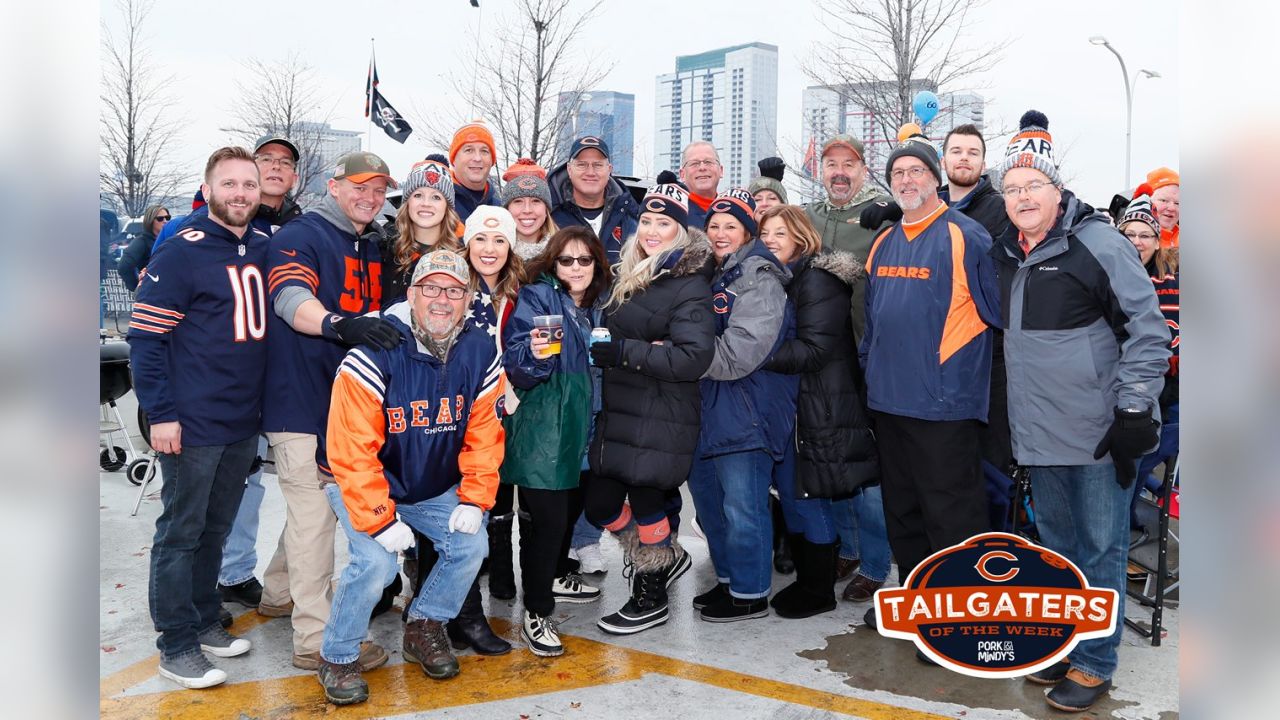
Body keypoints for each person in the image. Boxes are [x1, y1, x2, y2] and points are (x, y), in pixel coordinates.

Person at [988, 111, 1169, 712]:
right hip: (1038, 436)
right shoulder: (1007, 254)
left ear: (1056, 189)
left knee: (1100, 549)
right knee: (1058, 550)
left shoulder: (1098, 243)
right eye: (1011, 189)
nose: (1021, 197)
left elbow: (1147, 329)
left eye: (1031, 186)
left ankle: (1096, 663)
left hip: (1096, 434)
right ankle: (1069, 645)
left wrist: (1135, 409)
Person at [316, 249, 506, 705]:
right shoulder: (376, 348)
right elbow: (352, 448)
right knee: (377, 564)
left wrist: (475, 499)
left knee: (471, 543)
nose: (442, 300)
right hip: (361, 480)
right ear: (413, 293)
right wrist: (381, 519)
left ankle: (423, 625)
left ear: (467, 299)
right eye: (432, 288)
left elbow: (485, 433)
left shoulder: (479, 349)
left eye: (455, 291)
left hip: (427, 483)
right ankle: (338, 655)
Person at [127, 146, 269, 689]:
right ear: (208, 189)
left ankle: (205, 617)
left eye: (248, 185)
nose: (239, 194)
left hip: (241, 419)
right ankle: (176, 643)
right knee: (180, 531)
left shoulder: (261, 245)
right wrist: (160, 413)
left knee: (216, 526)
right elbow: (146, 338)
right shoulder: (181, 250)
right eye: (228, 184)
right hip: (191, 420)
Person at [262, 151, 402, 672]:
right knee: (315, 516)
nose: (369, 197)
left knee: (308, 513)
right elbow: (289, 298)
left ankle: (278, 591)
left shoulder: (370, 240)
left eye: (378, 189)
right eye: (359, 187)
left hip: (343, 404)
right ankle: (316, 639)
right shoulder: (303, 234)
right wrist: (339, 325)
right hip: (298, 400)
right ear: (333, 185)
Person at [860, 134, 1001, 625]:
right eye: (898, 173)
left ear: (936, 177)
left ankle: (958, 615)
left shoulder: (967, 236)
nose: (906, 179)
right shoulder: (883, 241)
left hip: (944, 406)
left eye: (915, 171)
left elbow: (997, 318)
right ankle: (916, 606)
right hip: (889, 403)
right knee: (902, 513)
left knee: (952, 517)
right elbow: (873, 324)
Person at [586, 183, 715, 634]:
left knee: (646, 500)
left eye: (665, 223)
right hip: (623, 409)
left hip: (661, 410)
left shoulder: (688, 283)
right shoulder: (635, 270)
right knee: (599, 501)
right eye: (647, 221)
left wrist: (624, 351)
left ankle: (651, 594)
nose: (653, 230)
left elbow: (692, 358)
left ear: (681, 231)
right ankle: (660, 558)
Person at [757, 205, 879, 618]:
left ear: (801, 236)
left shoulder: (818, 279)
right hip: (800, 403)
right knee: (796, 495)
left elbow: (814, 349)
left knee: (808, 497)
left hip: (822, 405)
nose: (771, 240)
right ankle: (811, 580)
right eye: (765, 233)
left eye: (780, 232)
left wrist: (753, 350)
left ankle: (818, 588)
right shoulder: (787, 277)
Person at [687, 189, 798, 622]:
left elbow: (739, 354)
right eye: (713, 225)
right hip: (708, 409)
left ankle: (751, 592)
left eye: (730, 226)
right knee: (711, 505)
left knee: (744, 507)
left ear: (748, 232)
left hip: (747, 408)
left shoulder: (759, 276)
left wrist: (679, 357)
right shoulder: (712, 275)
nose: (719, 233)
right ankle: (730, 580)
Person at [500, 227, 611, 656]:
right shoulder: (540, 298)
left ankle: (553, 578)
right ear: (553, 263)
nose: (577, 269)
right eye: (567, 260)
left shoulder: (602, 303)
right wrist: (537, 356)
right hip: (549, 427)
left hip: (591, 427)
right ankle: (537, 611)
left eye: (586, 261)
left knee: (568, 515)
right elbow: (519, 365)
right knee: (546, 523)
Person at [1116, 197, 1180, 571]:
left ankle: (1124, 533)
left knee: (1140, 464)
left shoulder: (1170, 280)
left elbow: (1172, 335)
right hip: (1111, 387)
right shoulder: (1108, 273)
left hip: (1160, 388)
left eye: (1145, 235)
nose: (1138, 241)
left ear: (1157, 242)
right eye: (1130, 233)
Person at [804, 133, 892, 345]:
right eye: (832, 164)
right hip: (817, 350)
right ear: (822, 170)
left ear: (864, 171)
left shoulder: (885, 213)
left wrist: (902, 210)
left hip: (869, 345)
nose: (839, 173)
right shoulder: (808, 216)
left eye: (849, 165)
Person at [379, 159, 463, 305]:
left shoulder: (462, 256)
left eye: (436, 197)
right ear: (407, 202)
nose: (426, 203)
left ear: (447, 207)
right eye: (418, 195)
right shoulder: (385, 250)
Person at [548, 136, 639, 263]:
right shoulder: (549, 217)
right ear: (569, 169)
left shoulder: (629, 217)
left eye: (598, 165)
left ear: (609, 170)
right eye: (582, 165)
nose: (590, 172)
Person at [502, 158, 560, 260]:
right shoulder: (494, 256)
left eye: (536, 201)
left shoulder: (564, 253)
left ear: (546, 210)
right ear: (507, 209)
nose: (527, 210)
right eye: (518, 201)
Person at [449, 121, 500, 219]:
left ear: (492, 160)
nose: (477, 158)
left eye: (484, 151)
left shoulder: (500, 209)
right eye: (469, 150)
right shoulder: (438, 203)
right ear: (454, 158)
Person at [117, 204, 169, 291]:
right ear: (150, 221)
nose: (165, 221)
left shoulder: (169, 239)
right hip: (151, 294)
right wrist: (136, 287)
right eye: (160, 219)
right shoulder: (142, 241)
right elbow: (124, 266)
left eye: (167, 218)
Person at [678, 141, 724, 229]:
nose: (702, 168)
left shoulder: (734, 212)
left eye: (708, 162)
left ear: (721, 170)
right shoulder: (673, 214)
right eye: (694, 163)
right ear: (682, 174)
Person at [1142, 166, 1180, 248]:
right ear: (1147, 201)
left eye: (1177, 203)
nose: (1172, 208)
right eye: (1164, 200)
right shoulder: (1135, 241)